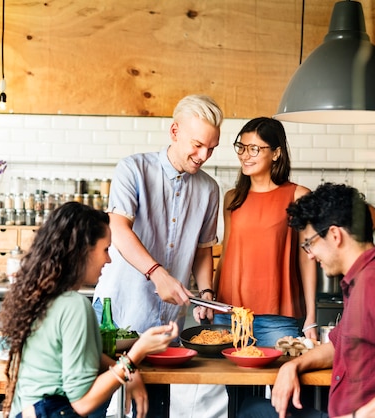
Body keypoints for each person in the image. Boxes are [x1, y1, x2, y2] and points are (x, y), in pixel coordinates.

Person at [238, 183, 375, 418]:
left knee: (251, 413)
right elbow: (339, 345)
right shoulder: (364, 276)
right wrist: (293, 365)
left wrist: (360, 416)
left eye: (310, 243)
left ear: (335, 235)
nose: (311, 255)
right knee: (252, 409)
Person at [91, 94, 225, 417]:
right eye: (197, 145)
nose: (203, 156)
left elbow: (203, 249)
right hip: (116, 316)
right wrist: (157, 273)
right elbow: (119, 229)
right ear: (174, 131)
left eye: (211, 148)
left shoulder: (209, 189)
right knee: (91, 407)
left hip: (164, 327)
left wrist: (206, 293)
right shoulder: (133, 169)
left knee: (148, 411)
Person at [0, 202, 179, 418]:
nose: (109, 260)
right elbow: (82, 403)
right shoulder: (75, 306)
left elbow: (76, 352)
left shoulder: (40, 296)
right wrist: (136, 353)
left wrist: (125, 368)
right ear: (83, 251)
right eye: (105, 250)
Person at [209, 117, 317, 346]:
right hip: (228, 315)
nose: (245, 155)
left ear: (276, 153)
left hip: (277, 317)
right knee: (234, 383)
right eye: (241, 147)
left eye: (254, 149)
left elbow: (307, 260)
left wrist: (311, 318)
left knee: (282, 380)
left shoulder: (299, 196)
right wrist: (211, 301)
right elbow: (227, 252)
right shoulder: (232, 198)